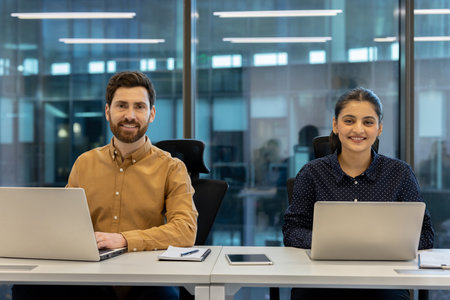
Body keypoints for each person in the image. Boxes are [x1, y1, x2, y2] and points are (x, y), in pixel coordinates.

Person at [12, 71, 198, 300]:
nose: (130, 115)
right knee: (26, 288)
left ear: (152, 114)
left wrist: (125, 240)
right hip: (92, 278)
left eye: (139, 106)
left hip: (147, 278)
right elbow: (65, 225)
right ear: (108, 111)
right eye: (121, 106)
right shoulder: (84, 163)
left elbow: (185, 231)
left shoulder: (172, 167)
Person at [282, 87, 434, 300]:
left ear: (379, 128)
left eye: (368, 122)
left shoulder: (399, 173)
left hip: (384, 280)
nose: (358, 129)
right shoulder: (312, 172)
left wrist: (389, 244)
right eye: (349, 121)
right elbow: (291, 230)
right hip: (320, 279)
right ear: (335, 125)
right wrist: (329, 243)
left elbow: (426, 234)